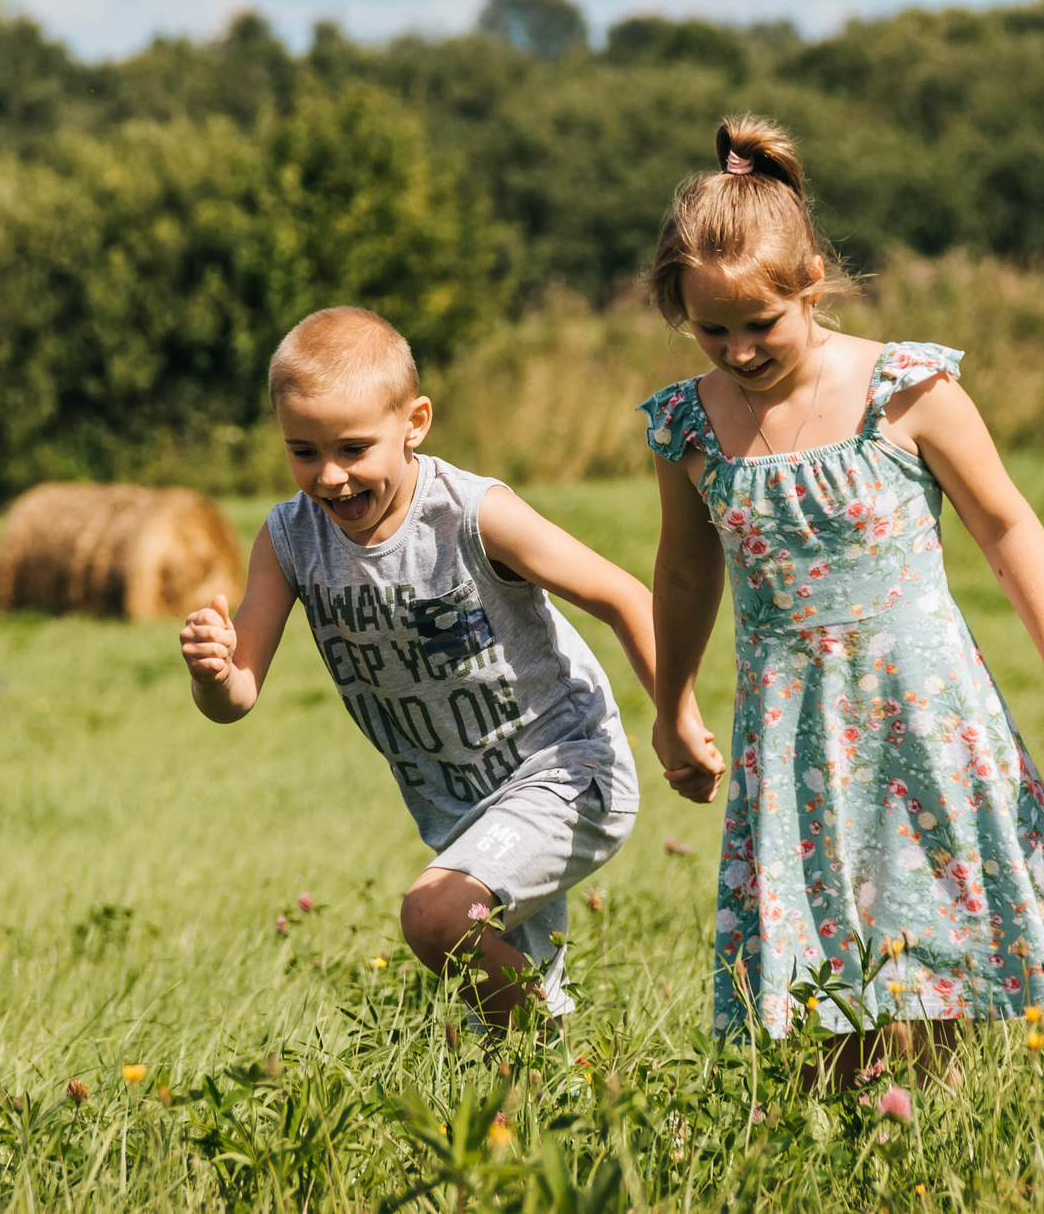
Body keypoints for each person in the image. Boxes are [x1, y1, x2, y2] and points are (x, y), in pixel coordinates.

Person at [640, 116, 1044, 1073]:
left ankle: (922, 1133)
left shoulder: (905, 389)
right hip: (792, 726)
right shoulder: (687, 426)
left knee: (924, 960)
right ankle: (856, 1143)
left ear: (809, 287)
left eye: (760, 325)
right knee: (826, 991)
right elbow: (685, 570)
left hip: (919, 710)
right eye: (713, 329)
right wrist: (672, 708)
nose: (738, 351)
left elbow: (1006, 526)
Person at [180, 306, 717, 1031]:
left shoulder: (471, 513)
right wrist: (214, 671)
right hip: (463, 810)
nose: (330, 477)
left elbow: (622, 596)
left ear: (416, 422)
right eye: (303, 451)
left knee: (435, 917)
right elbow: (238, 693)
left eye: (352, 448)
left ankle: (567, 1057)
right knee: (496, 1037)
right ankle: (581, 1102)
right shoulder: (289, 538)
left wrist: (676, 720)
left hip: (566, 768)